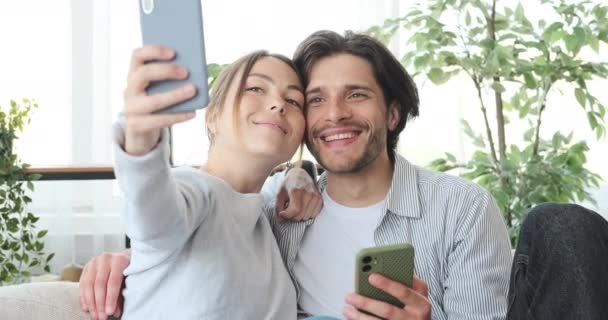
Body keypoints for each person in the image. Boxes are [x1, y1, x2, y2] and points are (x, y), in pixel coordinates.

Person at [81, 30, 608, 320]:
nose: (334, 115)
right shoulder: (276, 210)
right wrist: (133, 258)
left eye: (356, 95)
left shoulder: (461, 207)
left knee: (561, 225)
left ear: (393, 113)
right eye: (315, 100)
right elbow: (175, 218)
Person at [107, 45, 324, 319]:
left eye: (294, 101)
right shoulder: (193, 191)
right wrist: (141, 138)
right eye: (255, 89)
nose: (278, 104)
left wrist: (299, 173)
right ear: (212, 117)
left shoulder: (267, 217)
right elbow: (153, 215)